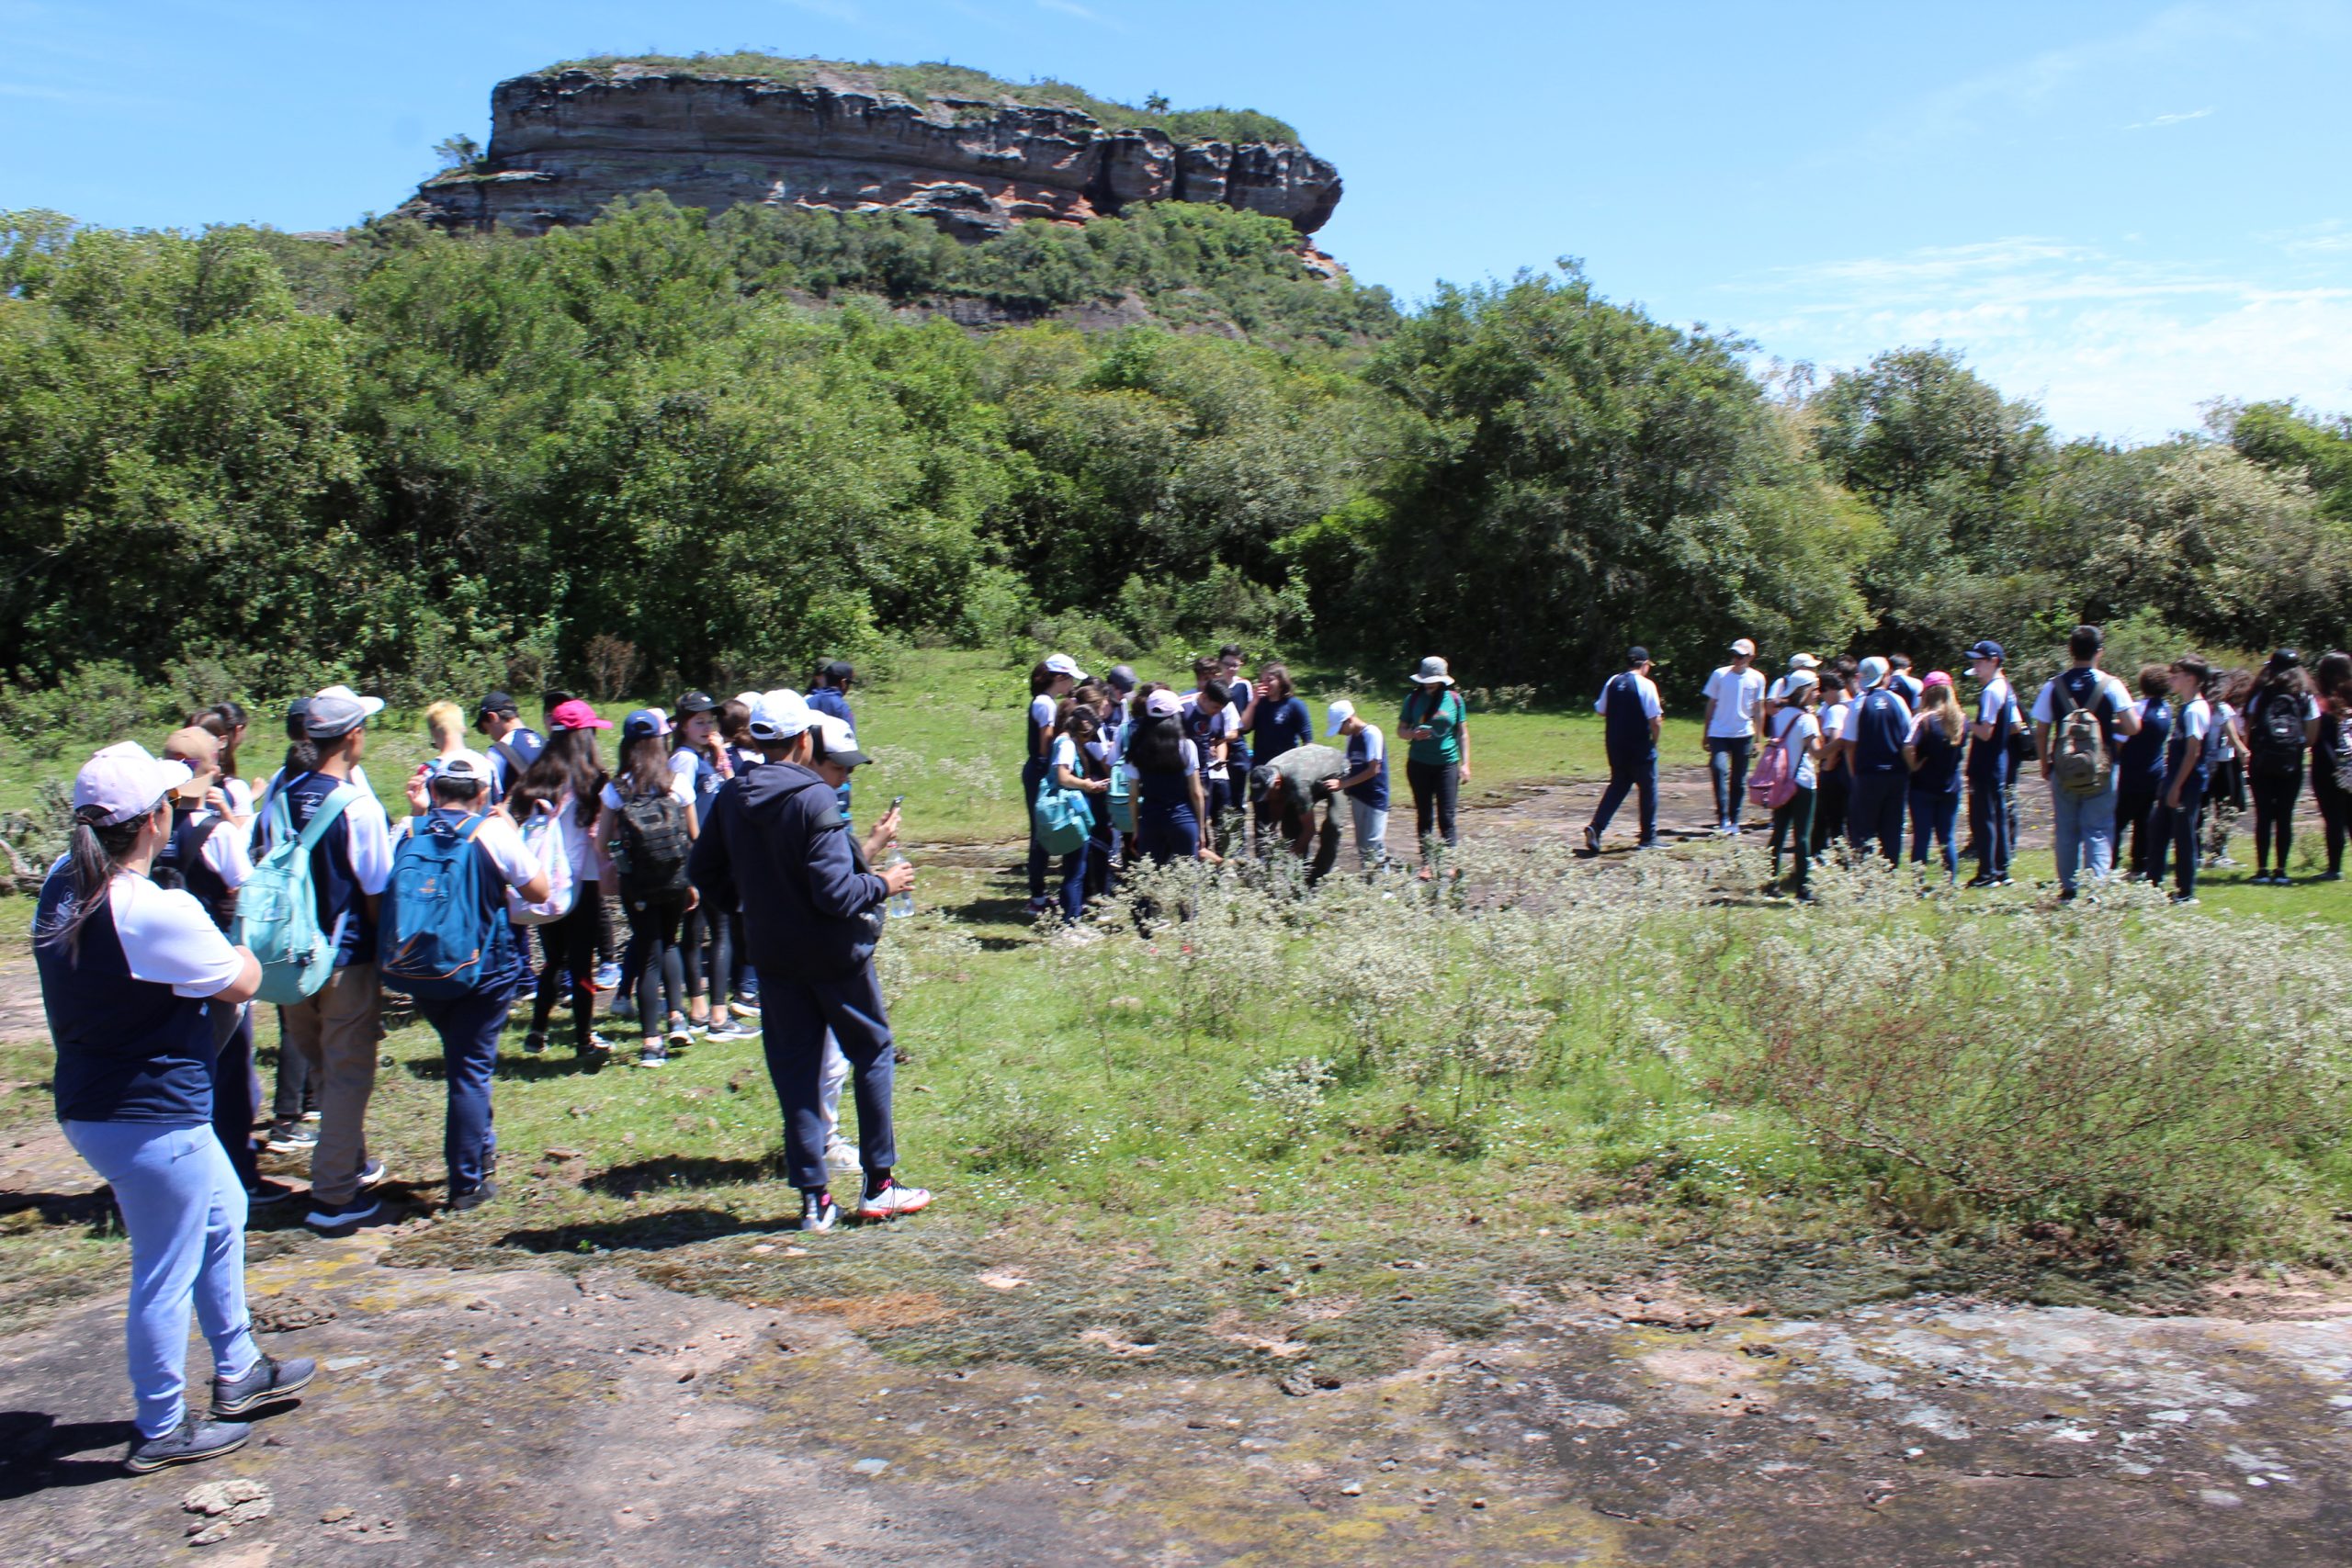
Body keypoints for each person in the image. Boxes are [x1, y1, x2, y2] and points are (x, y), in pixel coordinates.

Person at [35, 742, 314, 1472]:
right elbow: (245, 977)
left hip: (101, 1102)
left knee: (224, 1213)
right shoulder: (150, 910)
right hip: (151, 1114)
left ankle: (239, 1367)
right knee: (164, 1269)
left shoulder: (65, 883)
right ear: (156, 818)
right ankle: (161, 1424)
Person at [688, 689, 926, 1233]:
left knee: (794, 1072)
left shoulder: (731, 795)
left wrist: (746, 909)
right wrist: (883, 884)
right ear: (804, 739)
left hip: (773, 955)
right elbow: (835, 895)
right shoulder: (813, 797)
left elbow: (703, 871)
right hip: (833, 955)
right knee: (872, 1051)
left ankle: (814, 1201)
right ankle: (880, 1186)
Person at [254, 688, 395, 1232]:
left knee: (321, 1064)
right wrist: (388, 956)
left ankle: (351, 1162)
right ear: (354, 735)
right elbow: (377, 890)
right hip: (345, 956)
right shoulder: (358, 807)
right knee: (349, 1072)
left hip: (288, 959)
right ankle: (334, 1196)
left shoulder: (279, 797)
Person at [385, 752, 550, 1209]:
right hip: (484, 970)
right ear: (483, 793)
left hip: (421, 969)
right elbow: (539, 892)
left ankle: (483, 1152)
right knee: (470, 1073)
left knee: (464, 1063)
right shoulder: (493, 832)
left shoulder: (406, 829)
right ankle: (467, 1184)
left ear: (435, 791)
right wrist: (516, 838)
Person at [153, 727, 284, 1209]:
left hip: (156, 970)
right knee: (229, 1075)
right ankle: (239, 1175)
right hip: (214, 969)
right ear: (209, 769)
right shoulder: (217, 831)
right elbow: (249, 893)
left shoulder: (146, 830)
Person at [803, 713, 900, 1173]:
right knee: (835, 1052)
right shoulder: (809, 808)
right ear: (808, 754)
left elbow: (832, 872)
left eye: (850, 771)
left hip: (801, 945)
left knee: (827, 1052)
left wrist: (874, 844)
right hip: (823, 948)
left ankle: (818, 1141)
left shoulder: (817, 806)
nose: (845, 780)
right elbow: (834, 891)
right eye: (837, 768)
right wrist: (882, 883)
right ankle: (823, 1144)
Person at [597, 709, 700, 1067]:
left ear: (626, 745)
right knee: (670, 942)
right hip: (675, 880)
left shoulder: (616, 789)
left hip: (636, 885)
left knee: (650, 951)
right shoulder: (677, 783)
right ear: (662, 742)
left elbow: (602, 844)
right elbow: (694, 837)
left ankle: (651, 1042)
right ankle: (677, 1018)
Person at [514, 703, 613, 1062]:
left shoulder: (534, 777)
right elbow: (600, 833)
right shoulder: (593, 780)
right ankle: (584, 1039)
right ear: (582, 736)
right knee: (581, 963)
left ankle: (537, 1032)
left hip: (543, 881)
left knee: (553, 959)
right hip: (580, 881)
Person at [2030, 624, 2142, 900]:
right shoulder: (2111, 685)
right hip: (2101, 769)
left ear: (2071, 651)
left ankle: (2068, 889)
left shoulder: (2053, 685)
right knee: (2098, 828)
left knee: (2067, 828)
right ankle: (2095, 891)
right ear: (2099, 652)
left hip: (2064, 768)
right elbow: (2133, 727)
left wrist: (2045, 763)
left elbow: (2041, 729)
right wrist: (2106, 725)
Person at [670, 692, 740, 1033]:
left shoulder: (706, 757)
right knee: (703, 933)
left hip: (715, 855)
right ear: (682, 725)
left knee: (710, 931)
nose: (706, 726)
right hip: (698, 858)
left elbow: (730, 792)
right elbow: (680, 811)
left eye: (710, 721)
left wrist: (719, 754)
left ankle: (706, 1010)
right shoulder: (684, 759)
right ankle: (711, 1012)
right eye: (698, 721)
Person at [2243, 649, 2322, 885]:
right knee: (2285, 816)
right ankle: (2281, 870)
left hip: (2262, 762)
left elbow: (2247, 727)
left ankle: (2262, 869)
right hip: (2291, 763)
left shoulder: (2260, 693)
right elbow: (2312, 735)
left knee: (2263, 815)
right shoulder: (2305, 696)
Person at [1124, 687, 1217, 870]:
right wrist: (1201, 829)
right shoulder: (1187, 746)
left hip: (1151, 819)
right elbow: (1196, 792)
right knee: (1188, 882)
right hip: (1182, 818)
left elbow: (1133, 797)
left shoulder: (1137, 747)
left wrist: (1136, 829)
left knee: (1149, 880)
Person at [2148, 657, 2214, 903]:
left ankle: (2186, 892)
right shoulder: (2187, 707)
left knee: (2184, 836)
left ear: (2191, 678)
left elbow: (2193, 752)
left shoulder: (2196, 709)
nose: (2172, 679)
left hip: (2186, 783)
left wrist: (2176, 786)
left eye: (2177, 675)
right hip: (2173, 780)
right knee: (2157, 830)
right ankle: (2152, 886)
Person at [1023, 655, 1085, 915]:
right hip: (1039, 773)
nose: (1072, 684)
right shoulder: (1045, 704)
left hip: (1040, 771)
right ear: (1059, 678)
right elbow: (1045, 745)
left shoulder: (1046, 702)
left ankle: (1039, 895)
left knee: (1042, 833)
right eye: (1070, 678)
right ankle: (1037, 897)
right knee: (1041, 833)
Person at [1586, 647, 1664, 854]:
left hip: (1615, 745)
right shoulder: (1646, 685)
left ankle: (1597, 827)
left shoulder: (1612, 681)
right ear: (1645, 664)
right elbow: (1655, 719)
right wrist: (1654, 742)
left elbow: (1601, 710)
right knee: (1648, 788)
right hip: (1639, 745)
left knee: (1618, 786)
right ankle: (1648, 838)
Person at [1398, 656, 1471, 877]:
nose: (1429, 684)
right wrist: (1412, 734)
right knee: (1424, 815)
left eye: (1434, 680)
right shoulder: (1412, 699)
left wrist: (1466, 764)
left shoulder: (1455, 700)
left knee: (1447, 816)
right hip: (1418, 764)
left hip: (1447, 764)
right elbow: (1400, 730)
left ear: (1443, 680)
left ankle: (1449, 861)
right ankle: (1427, 863)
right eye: (1426, 680)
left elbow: (1462, 733)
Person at [1961, 641, 2020, 888]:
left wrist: (1965, 723)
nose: (1975, 666)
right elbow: (2017, 726)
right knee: (1998, 815)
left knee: (1983, 818)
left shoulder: (1990, 691)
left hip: (1985, 763)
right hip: (1999, 761)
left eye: (1979, 661)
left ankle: (1987, 873)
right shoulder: (2006, 688)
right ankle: (2002, 870)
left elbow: (1985, 732)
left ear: (1994, 661)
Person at [1844, 657, 1913, 865]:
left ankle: (1866, 880)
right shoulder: (1898, 701)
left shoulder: (1859, 703)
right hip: (1896, 774)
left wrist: (1853, 774)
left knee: (1863, 830)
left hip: (1868, 774)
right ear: (1885, 676)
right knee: (1892, 828)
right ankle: (1889, 876)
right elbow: (1908, 739)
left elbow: (1849, 744)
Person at [1046, 704, 1109, 921]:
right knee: (1075, 871)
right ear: (1085, 730)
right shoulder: (1068, 745)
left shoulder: (1062, 740)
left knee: (1074, 869)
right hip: (1070, 814)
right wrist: (1087, 785)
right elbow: (1063, 778)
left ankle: (1072, 919)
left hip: (1070, 813)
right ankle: (1069, 924)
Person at [1903, 671, 1966, 883]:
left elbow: (1908, 746)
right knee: (1947, 837)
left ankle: (1917, 884)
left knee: (1922, 837)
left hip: (1923, 787)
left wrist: (1914, 766)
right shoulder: (1960, 719)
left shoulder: (1923, 719)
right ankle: (1951, 882)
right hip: (1951, 786)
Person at [1764, 671, 1824, 898]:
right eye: (1815, 689)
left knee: (1779, 832)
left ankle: (1772, 883)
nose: (1817, 693)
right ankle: (1803, 888)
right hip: (1804, 782)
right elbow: (1817, 754)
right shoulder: (1807, 720)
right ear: (1805, 690)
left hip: (1780, 781)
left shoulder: (1779, 716)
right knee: (1802, 836)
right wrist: (1839, 743)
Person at [2113, 665, 2174, 883]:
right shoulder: (2167, 709)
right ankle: (2140, 864)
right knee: (2143, 820)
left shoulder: (2137, 708)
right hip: (2155, 772)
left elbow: (2121, 740)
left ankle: (2110, 863)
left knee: (2117, 821)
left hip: (2131, 773)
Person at [1701, 639, 1766, 837]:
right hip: (1719, 732)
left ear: (1751, 657)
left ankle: (1734, 819)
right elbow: (1711, 704)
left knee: (1738, 779)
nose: (1736, 659)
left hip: (1743, 733)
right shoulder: (1720, 674)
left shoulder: (1757, 678)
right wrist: (1705, 733)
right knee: (1719, 770)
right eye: (1734, 655)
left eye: (1741, 656)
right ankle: (1723, 818)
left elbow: (1759, 709)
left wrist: (1758, 738)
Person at [1325, 699, 1390, 869]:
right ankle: (1369, 886)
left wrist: (1343, 784)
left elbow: (1373, 769)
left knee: (1374, 844)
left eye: (1340, 727)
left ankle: (1386, 889)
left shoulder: (1372, 733)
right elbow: (1350, 766)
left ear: (1349, 720)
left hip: (1375, 797)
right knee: (1362, 845)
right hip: (1358, 796)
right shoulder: (1351, 738)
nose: (1339, 732)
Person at [2204, 669, 2251, 868]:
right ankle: (2218, 853)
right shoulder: (2223, 708)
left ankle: (2198, 852)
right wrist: (2244, 751)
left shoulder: (2200, 705)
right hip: (2224, 763)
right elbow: (2232, 735)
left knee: (2202, 808)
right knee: (2226, 808)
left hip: (2204, 763)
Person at [2312, 651, 2352, 882]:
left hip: (2328, 768)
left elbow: (2320, 738)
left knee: (2334, 819)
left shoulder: (2322, 703)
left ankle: (2334, 868)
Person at [475, 692, 546, 806]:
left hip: (519, 820)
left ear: (493, 717)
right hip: (552, 818)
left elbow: (492, 800)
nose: (491, 736)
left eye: (486, 729)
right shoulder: (544, 741)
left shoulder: (499, 751)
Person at [192, 702, 254, 823]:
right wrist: (225, 808)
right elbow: (243, 838)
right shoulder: (235, 788)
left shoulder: (178, 784)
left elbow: (172, 817)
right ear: (239, 729)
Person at [1813, 673, 1853, 858]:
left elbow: (1836, 740)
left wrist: (1827, 765)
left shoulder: (1836, 710)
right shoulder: (1854, 705)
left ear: (1831, 688)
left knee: (1827, 818)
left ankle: (1820, 856)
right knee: (1839, 817)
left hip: (1834, 771)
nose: (1821, 696)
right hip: (1848, 770)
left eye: (1822, 691)